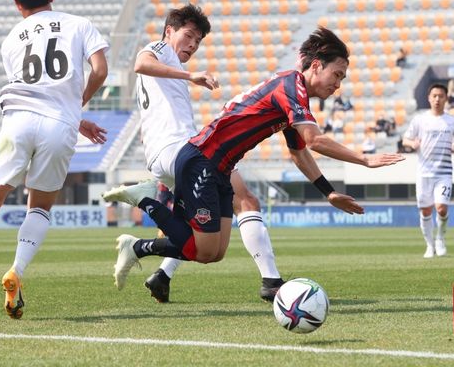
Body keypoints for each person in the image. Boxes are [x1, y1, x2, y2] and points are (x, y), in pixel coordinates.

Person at [103, 27, 405, 289]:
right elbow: (315, 141)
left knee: (215, 252)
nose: (338, 83)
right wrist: (364, 160)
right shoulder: (292, 86)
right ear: (316, 66)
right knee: (205, 246)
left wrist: (328, 192)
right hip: (202, 159)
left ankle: (145, 253)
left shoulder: (293, 92)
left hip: (218, 166)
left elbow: (299, 151)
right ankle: (147, 202)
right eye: (336, 74)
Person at [0, 0, 109, 319]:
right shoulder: (79, 24)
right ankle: (17, 272)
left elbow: (36, 90)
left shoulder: (11, 39)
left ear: (17, 4)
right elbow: (100, 70)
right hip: (59, 126)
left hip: (17, 122)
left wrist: (74, 113)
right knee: (39, 206)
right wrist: (76, 109)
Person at [116, 4, 285, 303]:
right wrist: (191, 76)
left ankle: (158, 268)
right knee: (245, 198)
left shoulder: (172, 70)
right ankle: (271, 280)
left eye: (198, 41)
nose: (193, 45)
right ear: (169, 31)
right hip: (181, 150)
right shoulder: (161, 49)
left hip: (170, 154)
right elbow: (141, 63)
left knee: (210, 248)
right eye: (189, 36)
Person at [402, 83, 454, 259]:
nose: (437, 99)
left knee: (441, 208)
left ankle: (440, 238)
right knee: (425, 211)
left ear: (446, 98)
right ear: (429, 98)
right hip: (424, 173)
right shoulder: (420, 120)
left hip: (444, 172)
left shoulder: (453, 121)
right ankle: (429, 245)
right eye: (434, 96)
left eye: (441, 96)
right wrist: (412, 143)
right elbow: (405, 139)